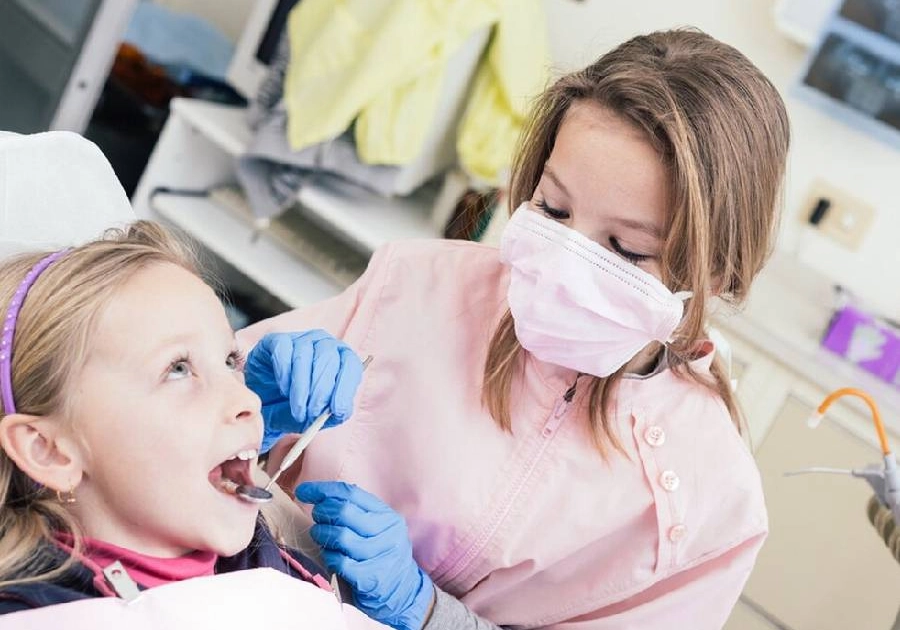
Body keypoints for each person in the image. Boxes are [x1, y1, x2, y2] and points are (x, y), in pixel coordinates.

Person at [239, 28, 791, 630]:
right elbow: (170, 435)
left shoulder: (712, 505)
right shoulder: (420, 281)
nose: (564, 263)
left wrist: (425, 613)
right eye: (554, 209)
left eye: (626, 249)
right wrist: (247, 407)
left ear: (717, 268)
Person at [0, 221, 382, 628]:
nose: (248, 398)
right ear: (49, 449)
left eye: (230, 360)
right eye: (178, 368)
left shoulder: (273, 567)